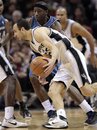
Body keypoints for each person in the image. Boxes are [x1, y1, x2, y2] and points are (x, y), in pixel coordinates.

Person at [13, 19, 97, 128]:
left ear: (23, 29)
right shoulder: (33, 45)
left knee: (87, 91)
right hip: (64, 63)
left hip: (72, 56)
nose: (14, 35)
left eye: (15, 31)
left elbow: (54, 49)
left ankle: (87, 114)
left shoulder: (37, 33)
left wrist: (51, 62)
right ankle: (61, 119)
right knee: (53, 91)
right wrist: (43, 75)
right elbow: (48, 58)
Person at [0, 0, 28, 128]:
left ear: (3, 6)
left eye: (0, 4)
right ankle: (9, 118)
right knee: (11, 79)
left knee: (6, 84)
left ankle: (9, 116)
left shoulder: (5, 22)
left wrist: (6, 53)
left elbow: (9, 36)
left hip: (1, 53)